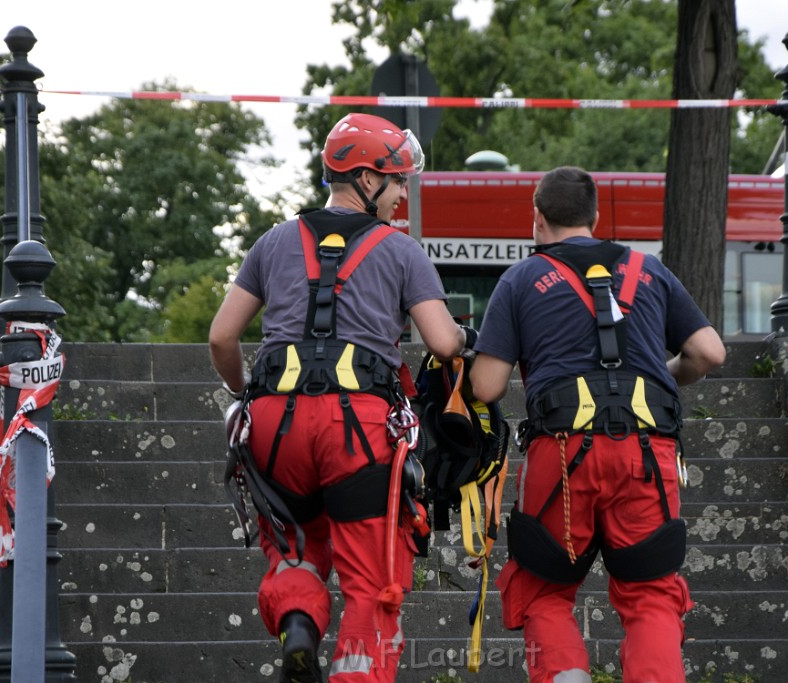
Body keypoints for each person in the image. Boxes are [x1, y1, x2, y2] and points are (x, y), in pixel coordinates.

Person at [209, 112, 475, 683]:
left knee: (296, 550)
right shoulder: (401, 251)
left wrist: (241, 396)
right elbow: (442, 342)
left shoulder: (273, 240)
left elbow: (221, 336)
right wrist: (468, 338)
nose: (404, 192)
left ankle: (300, 624)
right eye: (399, 179)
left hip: (274, 425)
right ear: (367, 178)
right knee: (369, 579)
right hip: (359, 425)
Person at [469, 166, 726, 683]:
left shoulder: (520, 279)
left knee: (543, 590)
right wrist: (665, 376)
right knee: (651, 595)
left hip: (561, 454)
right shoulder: (648, 270)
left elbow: (487, 388)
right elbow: (709, 352)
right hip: (646, 455)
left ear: (537, 218)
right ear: (595, 217)